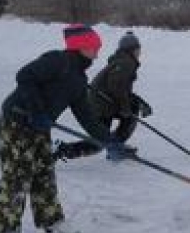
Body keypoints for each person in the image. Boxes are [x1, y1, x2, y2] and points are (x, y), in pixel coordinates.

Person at [0, 24, 131, 233]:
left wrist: (109, 139)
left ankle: (51, 219)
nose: (97, 52)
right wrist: (37, 111)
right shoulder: (57, 60)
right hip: (17, 120)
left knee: (44, 171)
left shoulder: (79, 78)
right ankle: (4, 228)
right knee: (18, 172)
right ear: (81, 46)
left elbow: (86, 116)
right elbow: (24, 76)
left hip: (40, 126)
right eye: (94, 47)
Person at [56, 31, 152, 159]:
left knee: (127, 116)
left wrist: (137, 102)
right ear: (132, 50)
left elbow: (122, 90)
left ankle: (116, 146)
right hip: (101, 104)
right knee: (100, 142)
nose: (140, 51)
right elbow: (116, 87)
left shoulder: (123, 61)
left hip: (105, 103)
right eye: (138, 48)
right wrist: (125, 108)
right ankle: (63, 151)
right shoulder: (126, 63)